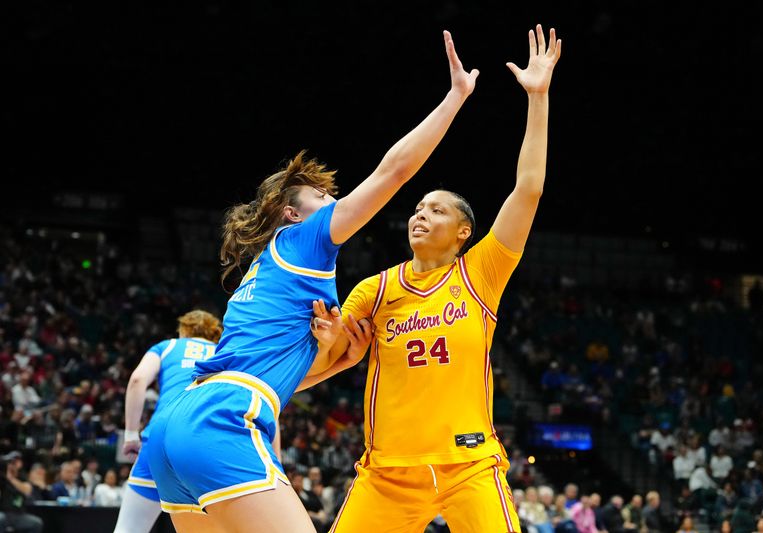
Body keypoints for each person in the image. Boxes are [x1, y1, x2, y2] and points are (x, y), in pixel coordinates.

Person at [146, 28, 481, 533]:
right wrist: (455, 99)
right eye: (323, 200)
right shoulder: (304, 239)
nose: (333, 205)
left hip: (179, 423)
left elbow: (276, 376)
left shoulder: (261, 277)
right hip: (224, 418)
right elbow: (393, 172)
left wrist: (339, 361)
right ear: (292, 214)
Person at [302, 23, 562, 533]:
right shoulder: (374, 290)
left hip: (468, 466)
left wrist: (538, 98)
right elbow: (322, 365)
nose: (420, 215)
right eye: (418, 207)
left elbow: (528, 188)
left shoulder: (482, 272)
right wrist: (328, 343)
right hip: (387, 473)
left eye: (437, 210)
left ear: (464, 231)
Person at [114, 310, 222, 533]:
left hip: (162, 437)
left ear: (183, 330)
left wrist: (131, 435)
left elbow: (137, 380)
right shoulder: (225, 352)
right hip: (209, 443)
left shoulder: (168, 346)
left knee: (129, 529)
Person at [0, 451, 44, 533]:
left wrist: (11, 478)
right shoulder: (2, 477)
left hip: (18, 514)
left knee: (36, 523)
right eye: (9, 462)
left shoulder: (22, 477)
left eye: (14, 462)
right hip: (3, 512)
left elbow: (27, 490)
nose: (11, 465)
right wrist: (6, 475)